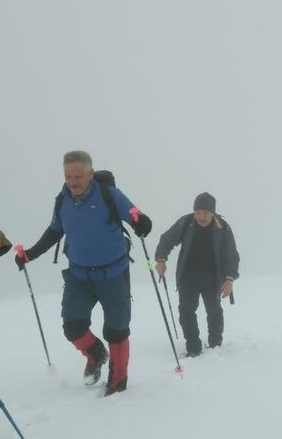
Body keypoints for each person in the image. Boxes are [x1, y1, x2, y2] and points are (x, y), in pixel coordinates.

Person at [15, 151, 152, 396]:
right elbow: (55, 231)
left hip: (113, 274)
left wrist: (141, 222)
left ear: (90, 174)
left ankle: (118, 383)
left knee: (117, 330)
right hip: (79, 276)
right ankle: (96, 354)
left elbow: (136, 216)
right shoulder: (63, 199)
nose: (73, 181)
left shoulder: (109, 195)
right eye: (68, 176)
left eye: (78, 176)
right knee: (73, 326)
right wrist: (30, 254)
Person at [154, 192, 240, 357]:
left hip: (213, 277)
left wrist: (229, 279)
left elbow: (232, 256)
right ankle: (193, 347)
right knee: (186, 312)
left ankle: (215, 345)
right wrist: (161, 259)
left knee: (214, 311)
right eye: (198, 212)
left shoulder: (223, 228)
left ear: (213, 212)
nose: (201, 216)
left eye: (205, 213)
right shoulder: (186, 223)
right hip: (188, 276)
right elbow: (167, 239)